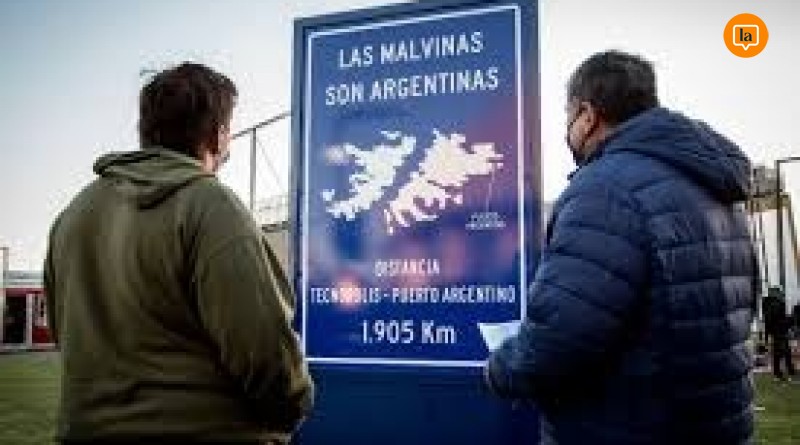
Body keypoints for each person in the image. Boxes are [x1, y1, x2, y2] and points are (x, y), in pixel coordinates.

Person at [486, 51, 757, 444]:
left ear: (587, 115)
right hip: (717, 424)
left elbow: (560, 337)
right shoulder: (715, 187)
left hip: (628, 426)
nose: (568, 130)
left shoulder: (604, 188)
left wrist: (500, 369)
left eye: (568, 117)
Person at [44, 63, 313, 444]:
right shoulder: (209, 204)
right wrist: (293, 407)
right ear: (217, 135)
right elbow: (265, 355)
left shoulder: (74, 214)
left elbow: (66, 336)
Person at [763, 286, 796, 380]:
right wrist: (790, 321)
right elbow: (781, 318)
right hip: (780, 330)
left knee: (778, 352)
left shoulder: (766, 303)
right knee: (785, 351)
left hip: (774, 330)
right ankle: (787, 370)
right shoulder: (779, 303)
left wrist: (766, 335)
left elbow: (767, 320)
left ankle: (780, 372)